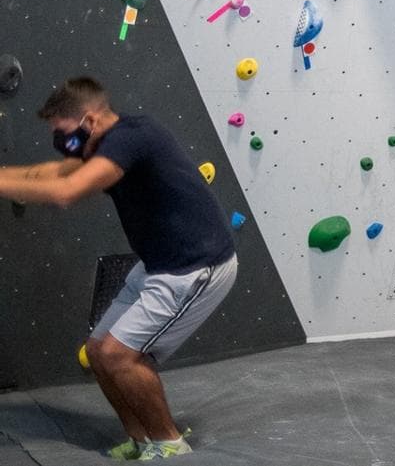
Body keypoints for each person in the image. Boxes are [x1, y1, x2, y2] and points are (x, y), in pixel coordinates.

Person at [0, 77, 240, 461]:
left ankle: (169, 442)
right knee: (98, 352)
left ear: (91, 120)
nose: (63, 144)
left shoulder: (134, 137)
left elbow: (65, 192)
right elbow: (56, 174)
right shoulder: (103, 145)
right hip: (157, 263)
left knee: (119, 355)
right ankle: (141, 440)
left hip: (196, 266)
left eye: (65, 134)